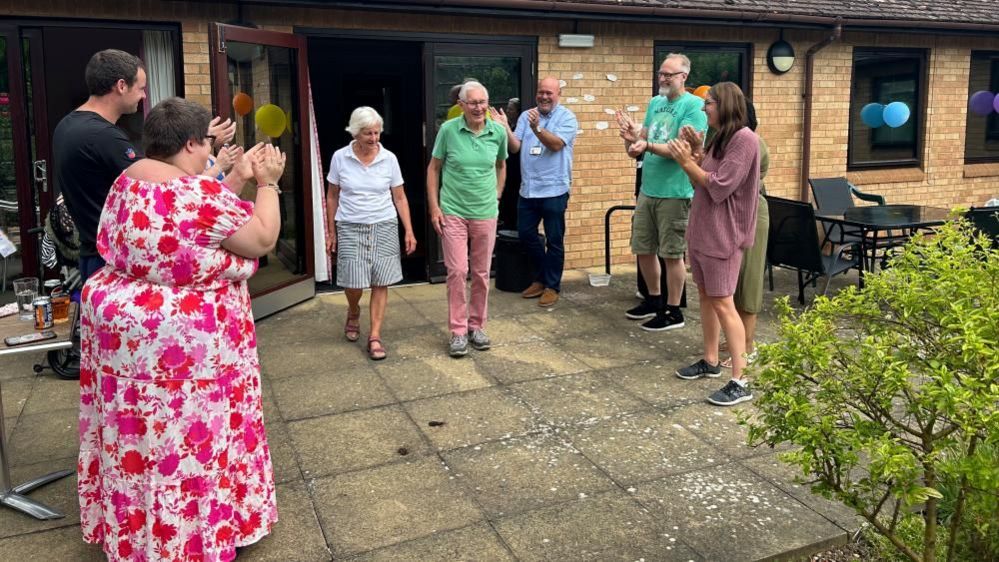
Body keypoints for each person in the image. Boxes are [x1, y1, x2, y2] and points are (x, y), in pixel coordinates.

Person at [78, 97, 286, 560]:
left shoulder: (126, 182)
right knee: (193, 437)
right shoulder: (200, 196)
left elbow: (185, 225)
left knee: (142, 435)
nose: (206, 151)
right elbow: (262, 238)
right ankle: (192, 536)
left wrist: (234, 178)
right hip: (189, 350)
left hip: (126, 343)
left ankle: (140, 531)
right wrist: (267, 184)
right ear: (192, 142)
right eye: (206, 144)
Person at [665, 82, 760, 406]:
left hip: (724, 235)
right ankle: (710, 360)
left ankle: (741, 379)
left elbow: (721, 186)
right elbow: (700, 181)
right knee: (706, 297)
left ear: (725, 105)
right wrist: (696, 152)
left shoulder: (745, 139)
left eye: (709, 103)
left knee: (723, 302)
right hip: (704, 231)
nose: (704, 108)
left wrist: (685, 160)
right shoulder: (720, 138)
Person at [615, 53, 708, 331]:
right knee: (643, 248)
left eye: (669, 74)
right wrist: (633, 139)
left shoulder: (695, 106)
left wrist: (647, 145)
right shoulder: (655, 102)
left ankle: (673, 310)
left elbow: (682, 149)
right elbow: (644, 137)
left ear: (684, 77)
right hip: (648, 188)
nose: (664, 78)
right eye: (661, 73)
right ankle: (653, 300)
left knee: (671, 254)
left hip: (675, 192)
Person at [325, 106, 417, 360]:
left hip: (384, 223)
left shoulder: (389, 159)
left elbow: (399, 197)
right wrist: (330, 230)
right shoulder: (340, 157)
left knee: (381, 280)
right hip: (350, 225)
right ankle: (354, 310)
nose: (374, 139)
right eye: (368, 133)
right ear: (355, 132)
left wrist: (409, 230)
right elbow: (332, 196)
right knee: (353, 282)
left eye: (377, 133)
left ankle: (375, 335)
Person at [427, 81, 507, 357]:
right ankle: (458, 331)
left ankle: (477, 326)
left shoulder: (497, 132)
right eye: (472, 103)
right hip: (454, 211)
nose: (478, 107)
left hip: (485, 212)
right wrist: (435, 208)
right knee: (458, 271)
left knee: (482, 273)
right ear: (460, 105)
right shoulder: (448, 130)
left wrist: (497, 194)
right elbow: (434, 168)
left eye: (482, 102)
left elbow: (501, 165)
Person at [53, 49, 146, 282]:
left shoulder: (67, 125)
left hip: (90, 255)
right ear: (121, 86)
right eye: (141, 88)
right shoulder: (103, 136)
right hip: (111, 261)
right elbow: (159, 187)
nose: (143, 96)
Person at [494, 77, 577, 307]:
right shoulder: (525, 115)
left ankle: (552, 285)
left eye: (549, 93)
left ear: (558, 94)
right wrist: (505, 129)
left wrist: (537, 128)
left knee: (554, 240)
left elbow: (556, 145)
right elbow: (515, 147)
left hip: (554, 190)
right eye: (541, 92)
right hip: (528, 190)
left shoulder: (567, 117)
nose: (544, 96)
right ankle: (542, 277)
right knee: (526, 235)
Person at [721, 99, 769, 369]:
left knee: (748, 281)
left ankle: (747, 346)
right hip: (733, 214)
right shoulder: (728, 141)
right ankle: (736, 340)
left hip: (751, 213)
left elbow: (727, 181)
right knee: (732, 279)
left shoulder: (751, 142)